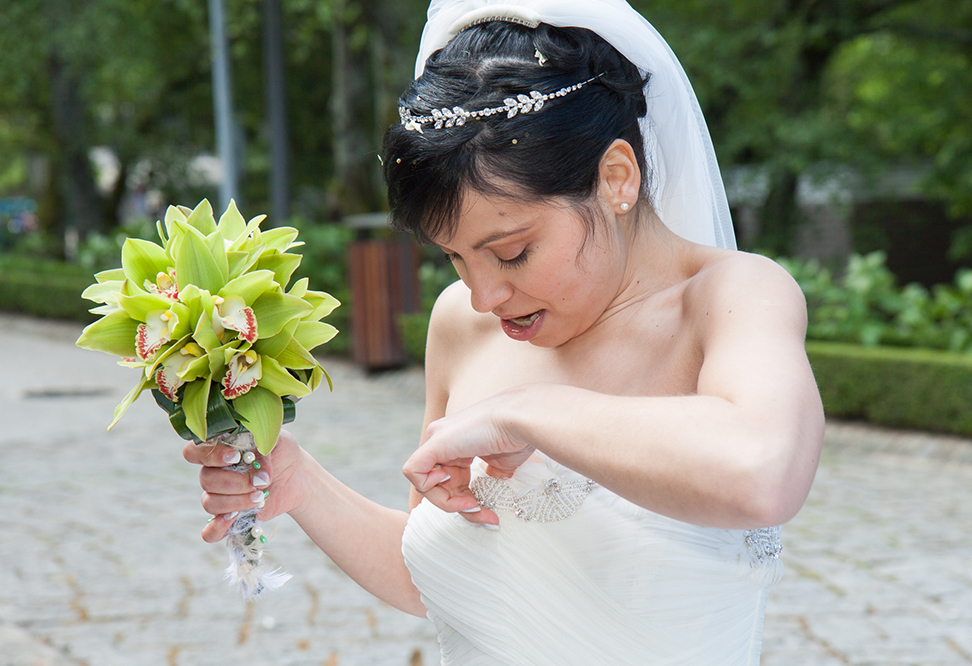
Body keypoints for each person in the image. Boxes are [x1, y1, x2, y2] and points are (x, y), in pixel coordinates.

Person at [184, 1, 825, 663]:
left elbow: (765, 473)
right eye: (455, 258)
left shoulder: (730, 298)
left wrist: (525, 413)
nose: (484, 296)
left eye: (512, 252)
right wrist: (301, 483)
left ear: (616, 178)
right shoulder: (459, 325)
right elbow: (441, 575)